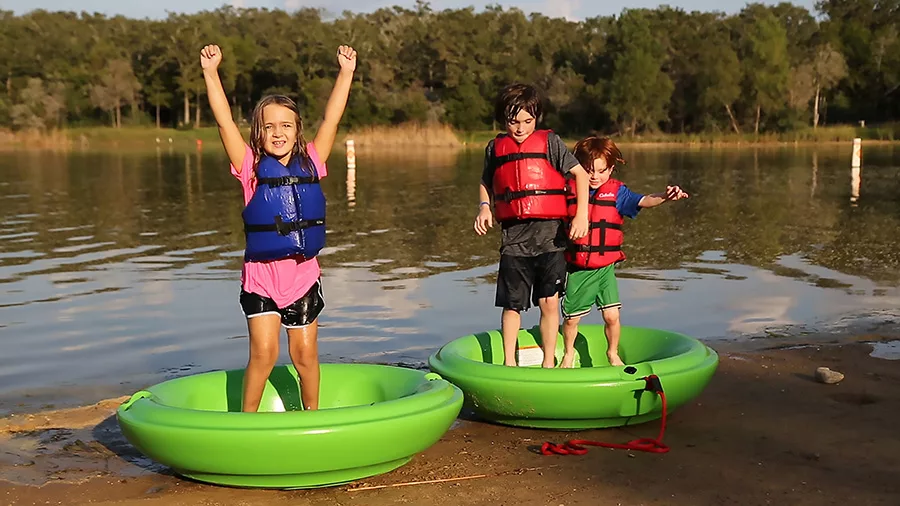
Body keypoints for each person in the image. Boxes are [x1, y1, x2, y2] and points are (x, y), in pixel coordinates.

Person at [200, 42, 356, 411]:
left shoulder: (313, 160)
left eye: (286, 125)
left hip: (301, 278)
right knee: (264, 354)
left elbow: (331, 120)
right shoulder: (249, 166)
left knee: (304, 356)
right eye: (269, 126)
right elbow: (224, 121)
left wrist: (346, 74)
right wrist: (211, 73)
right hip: (261, 279)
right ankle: (247, 421)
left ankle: (311, 417)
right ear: (259, 131)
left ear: (298, 130)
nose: (278, 132)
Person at [474, 83, 590, 368]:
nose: (520, 128)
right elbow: (485, 182)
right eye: (514, 121)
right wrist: (484, 207)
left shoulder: (550, 142)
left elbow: (581, 175)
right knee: (512, 304)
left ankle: (549, 361)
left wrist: (581, 215)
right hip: (514, 239)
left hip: (551, 237)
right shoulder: (495, 148)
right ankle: (508, 362)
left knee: (549, 302)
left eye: (527, 121)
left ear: (536, 118)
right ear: (504, 119)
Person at [560, 136, 688, 368]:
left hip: (605, 269)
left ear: (611, 169)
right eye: (589, 170)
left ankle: (612, 353)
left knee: (612, 316)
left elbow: (644, 200)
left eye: (601, 170)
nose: (595, 176)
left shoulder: (618, 193)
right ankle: (568, 354)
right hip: (578, 269)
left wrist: (665, 196)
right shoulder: (567, 192)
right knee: (571, 320)